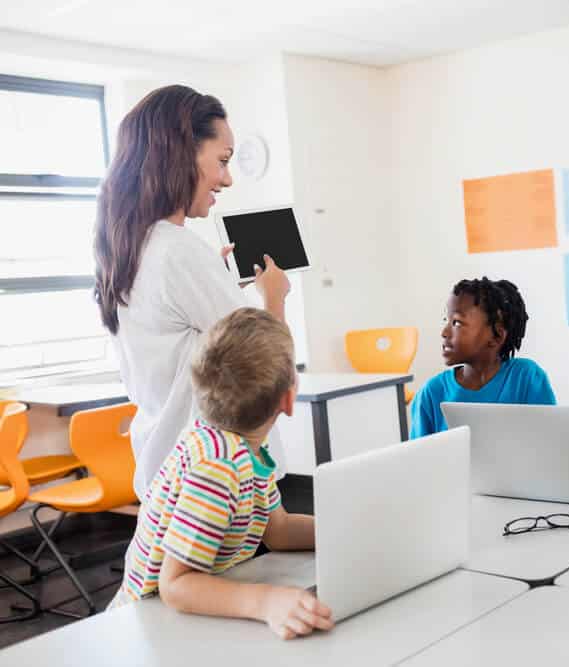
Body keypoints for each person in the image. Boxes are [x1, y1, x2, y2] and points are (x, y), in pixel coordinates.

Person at [93, 85, 291, 496]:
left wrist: (213, 280)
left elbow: (179, 342)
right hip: (214, 477)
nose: (228, 178)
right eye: (222, 161)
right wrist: (274, 297)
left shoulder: (131, 249)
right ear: (181, 153)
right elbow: (265, 373)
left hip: (167, 469)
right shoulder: (178, 250)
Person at [112, 308, 332, 640]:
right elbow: (175, 585)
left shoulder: (245, 450)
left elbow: (278, 530)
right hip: (147, 626)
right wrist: (266, 601)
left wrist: (338, 530)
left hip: (189, 614)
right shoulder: (218, 466)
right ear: (289, 399)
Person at [409, 277, 556, 437]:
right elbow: (419, 459)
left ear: (496, 336)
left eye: (457, 323)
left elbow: (548, 443)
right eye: (446, 320)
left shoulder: (527, 378)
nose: (444, 332)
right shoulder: (431, 393)